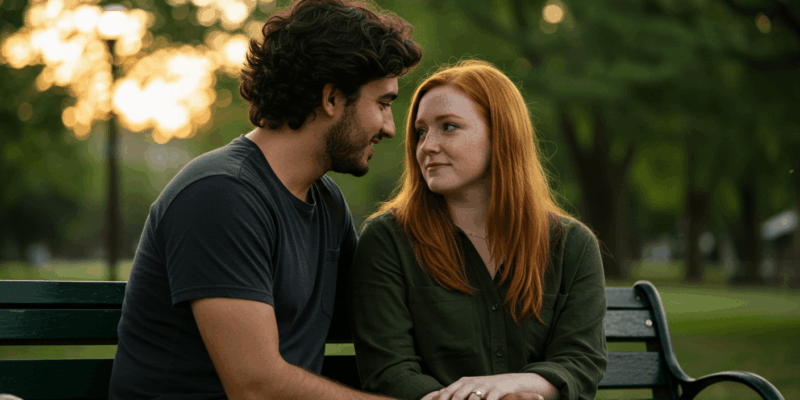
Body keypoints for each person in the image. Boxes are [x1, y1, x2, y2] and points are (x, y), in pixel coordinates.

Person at [108, 1, 422, 399]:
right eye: (382, 104)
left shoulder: (326, 203)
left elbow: (385, 314)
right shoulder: (220, 196)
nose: (390, 128)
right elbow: (256, 386)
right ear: (331, 98)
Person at [348, 60, 608, 400]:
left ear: (502, 134)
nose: (427, 146)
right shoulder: (388, 241)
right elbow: (390, 371)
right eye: (421, 131)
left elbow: (580, 360)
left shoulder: (571, 246)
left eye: (449, 127)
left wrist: (519, 386)